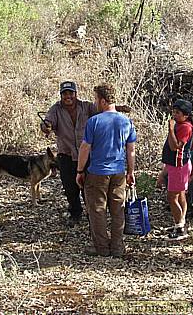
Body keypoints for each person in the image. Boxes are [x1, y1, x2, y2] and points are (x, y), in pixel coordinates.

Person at [76, 84, 136, 257]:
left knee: (97, 210)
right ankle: (118, 247)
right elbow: (130, 150)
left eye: (96, 99)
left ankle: (101, 247)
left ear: (102, 101)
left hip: (97, 173)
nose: (95, 103)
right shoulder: (126, 122)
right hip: (118, 172)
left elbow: (85, 148)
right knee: (118, 210)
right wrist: (130, 172)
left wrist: (80, 171)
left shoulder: (94, 122)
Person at [41, 81, 97, 227]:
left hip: (86, 155)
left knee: (89, 186)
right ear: (61, 95)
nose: (68, 97)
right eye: (65, 94)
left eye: (70, 93)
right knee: (70, 187)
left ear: (75, 94)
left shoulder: (86, 106)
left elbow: (104, 110)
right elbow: (47, 123)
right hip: (66, 155)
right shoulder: (55, 109)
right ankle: (75, 213)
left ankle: (92, 214)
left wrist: (119, 108)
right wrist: (46, 127)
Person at [161, 99, 193, 241]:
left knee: (172, 196)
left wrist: (170, 129)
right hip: (176, 164)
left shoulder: (185, 127)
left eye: (178, 113)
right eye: (173, 112)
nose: (174, 115)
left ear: (186, 115)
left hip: (178, 166)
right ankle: (180, 223)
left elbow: (175, 147)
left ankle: (180, 227)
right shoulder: (180, 125)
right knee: (180, 194)